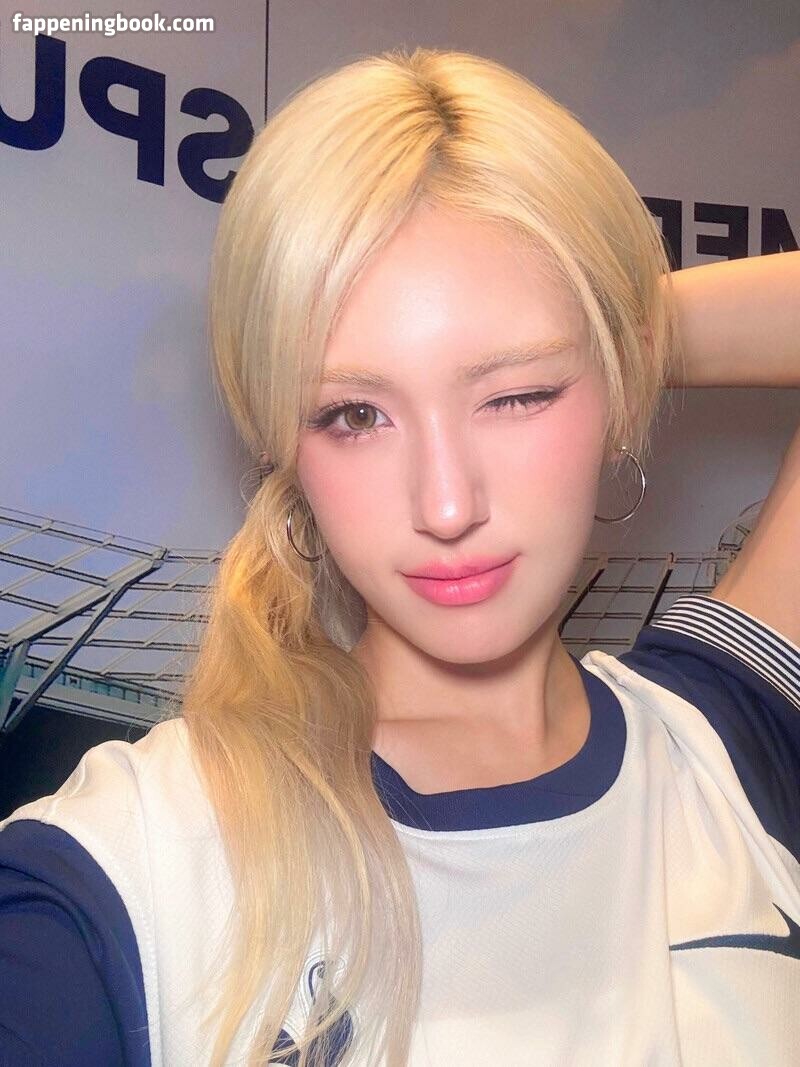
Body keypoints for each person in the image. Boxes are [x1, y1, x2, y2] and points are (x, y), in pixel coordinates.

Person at [0, 46, 798, 1067]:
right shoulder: (122, 867)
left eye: (518, 393)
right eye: (354, 413)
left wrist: (605, 321)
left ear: (615, 390)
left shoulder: (722, 737)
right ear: (285, 443)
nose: (446, 504)